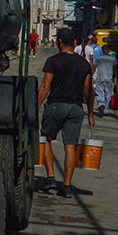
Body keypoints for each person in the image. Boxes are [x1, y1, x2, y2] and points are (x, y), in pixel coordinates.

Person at [38, 27, 95, 197]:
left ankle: (50, 178)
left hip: (56, 106)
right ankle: (67, 186)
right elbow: (88, 90)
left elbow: (45, 86)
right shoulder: (84, 64)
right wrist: (91, 114)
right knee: (71, 146)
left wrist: (35, 107)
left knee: (46, 139)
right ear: (75, 43)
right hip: (76, 108)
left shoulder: (53, 61)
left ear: (59, 42)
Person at [94, 48, 118, 115]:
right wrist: (117, 78)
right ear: (109, 50)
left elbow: (94, 67)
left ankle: (101, 104)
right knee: (107, 94)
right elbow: (115, 69)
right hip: (109, 79)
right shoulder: (112, 59)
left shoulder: (99, 58)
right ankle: (106, 110)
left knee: (100, 93)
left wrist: (92, 75)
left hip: (100, 78)